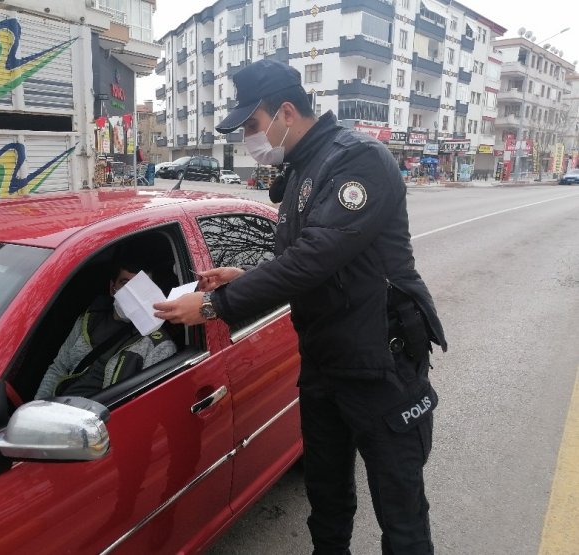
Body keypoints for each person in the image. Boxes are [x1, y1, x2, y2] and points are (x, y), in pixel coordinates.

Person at [153, 59, 447, 554]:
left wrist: (212, 307)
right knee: (327, 503)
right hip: (325, 364)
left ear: (285, 112)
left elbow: (314, 259)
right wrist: (244, 275)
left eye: (251, 124)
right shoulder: (303, 167)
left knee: (401, 515)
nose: (248, 136)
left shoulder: (358, 160)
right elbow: (309, 258)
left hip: (382, 366)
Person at [36, 245, 177, 400]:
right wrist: (38, 405)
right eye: (125, 283)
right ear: (112, 288)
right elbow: (59, 367)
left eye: (140, 287)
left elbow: (147, 402)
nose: (132, 292)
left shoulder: (158, 345)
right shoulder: (89, 319)